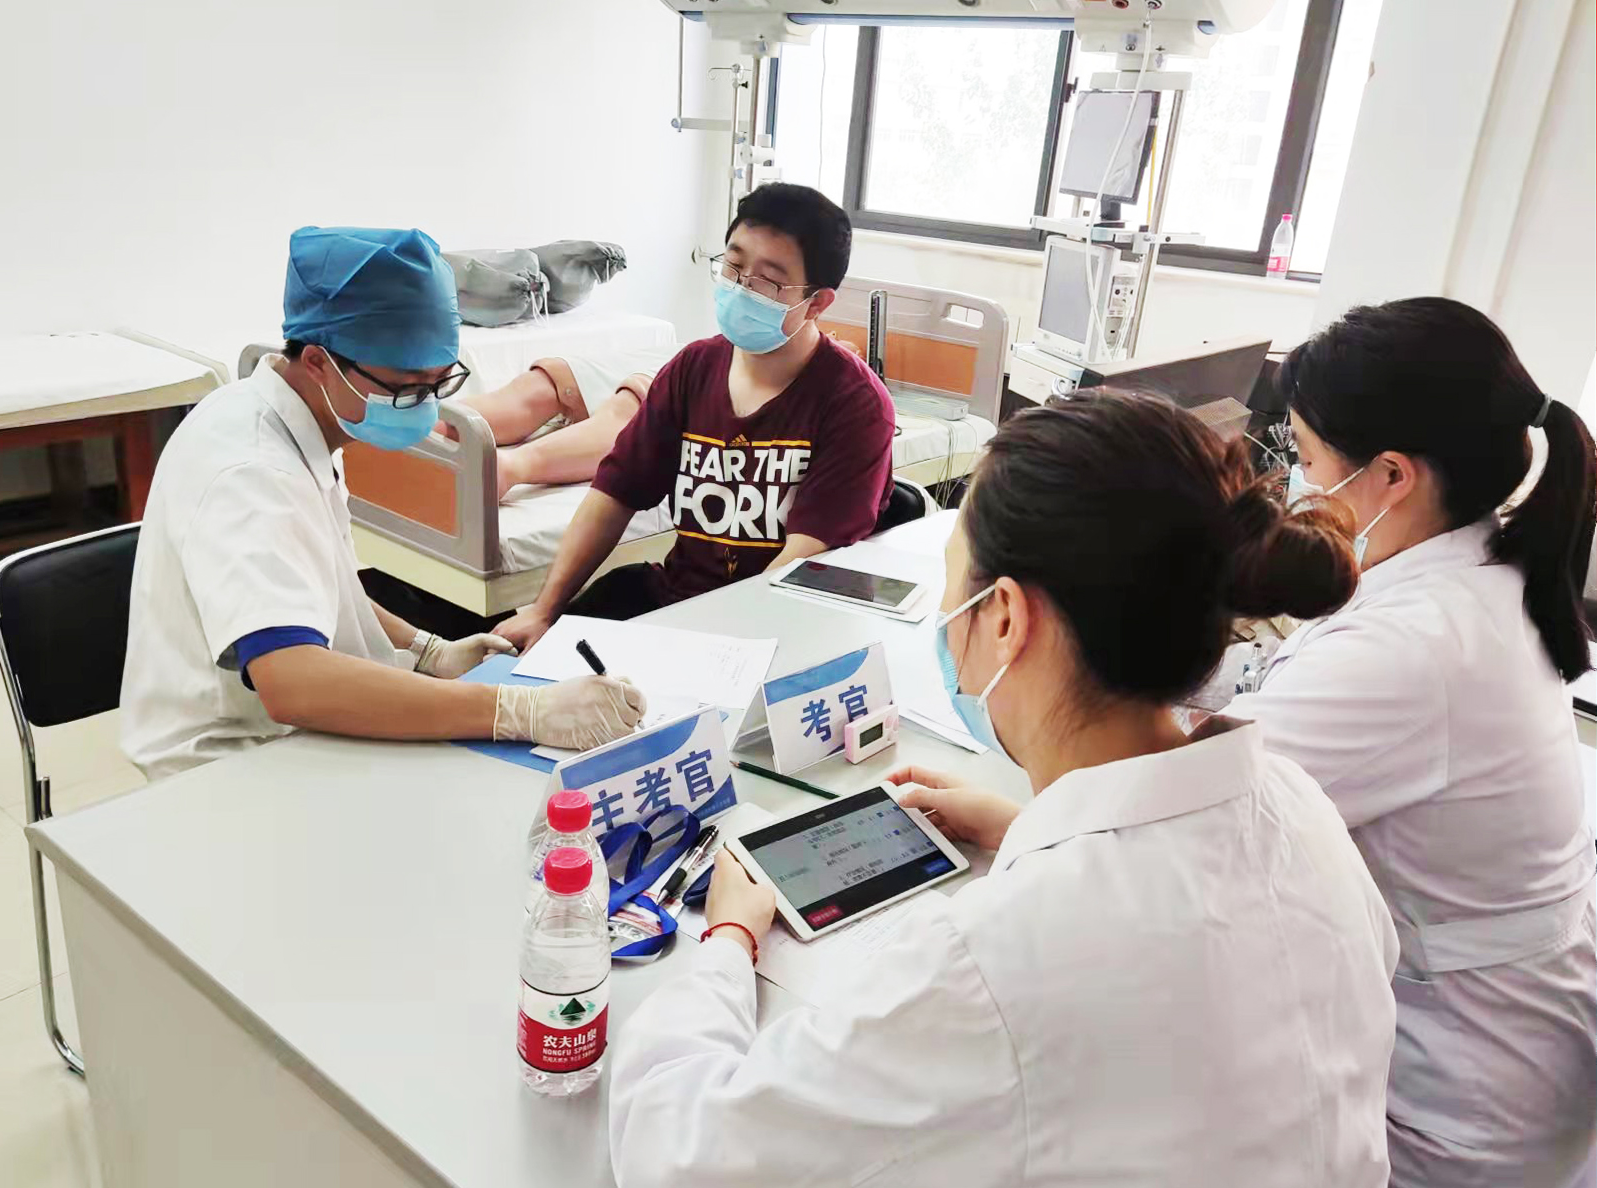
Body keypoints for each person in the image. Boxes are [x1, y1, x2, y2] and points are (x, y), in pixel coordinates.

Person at [609, 393, 1400, 1188]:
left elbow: (682, 1155)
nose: (947, 618)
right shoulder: (1298, 807)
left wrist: (728, 942)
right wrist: (1027, 828)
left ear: (1005, 620)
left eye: (955, 587)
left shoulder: (995, 963)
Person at [1225, 297, 1597, 1188]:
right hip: (1519, 1044)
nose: (1298, 483)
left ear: (1391, 475)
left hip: (1460, 1111)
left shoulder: (1415, 647)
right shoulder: (1481, 568)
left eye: (1306, 458)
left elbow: (1191, 810)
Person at [120, 226, 644, 780]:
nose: (423, 408)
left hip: (290, 728)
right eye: (405, 387)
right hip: (229, 763)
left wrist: (427, 650)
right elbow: (292, 683)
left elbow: (313, 587)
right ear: (318, 361)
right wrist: (520, 712)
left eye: (439, 384)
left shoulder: (312, 421)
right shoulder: (251, 473)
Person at [498, 183, 894, 650]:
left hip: (774, 628)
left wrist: (718, 655)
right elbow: (615, 493)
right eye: (733, 265)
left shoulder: (854, 403)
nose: (741, 287)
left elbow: (801, 557)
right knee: (539, 658)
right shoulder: (694, 368)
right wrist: (544, 611)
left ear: (818, 303)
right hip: (675, 602)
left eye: (768, 281)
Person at [441, 345, 678, 499]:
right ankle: (433, 425)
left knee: (634, 410)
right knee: (552, 384)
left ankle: (505, 469)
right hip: (674, 351)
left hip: (687, 363)